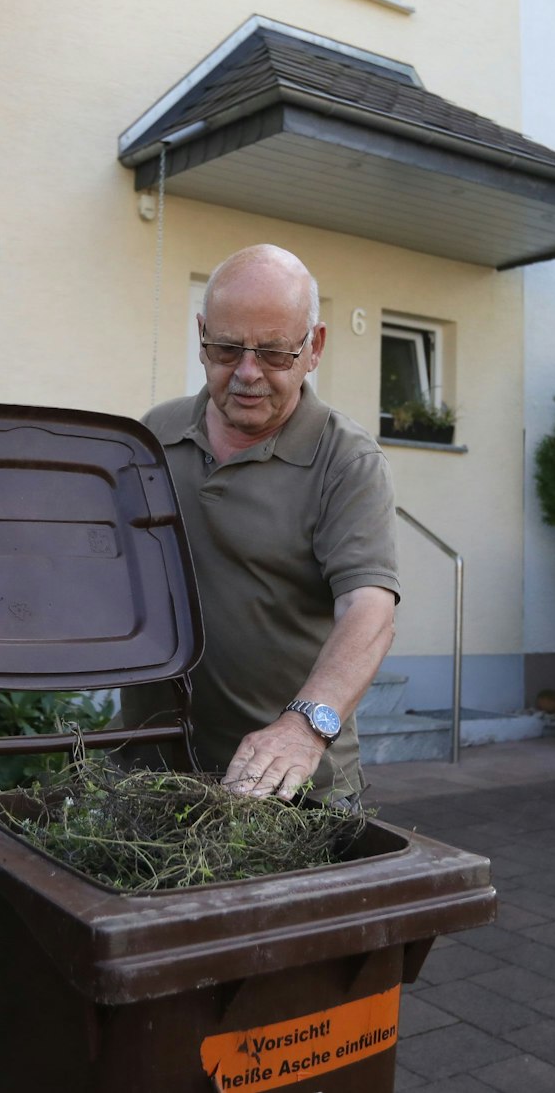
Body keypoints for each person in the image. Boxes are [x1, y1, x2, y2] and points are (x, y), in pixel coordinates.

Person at [124, 244, 399, 806]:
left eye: (274, 353)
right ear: (201, 335)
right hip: (153, 774)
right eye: (227, 349)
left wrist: (305, 728)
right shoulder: (154, 436)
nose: (247, 374)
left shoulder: (347, 462)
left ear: (314, 347)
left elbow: (369, 610)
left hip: (292, 789)